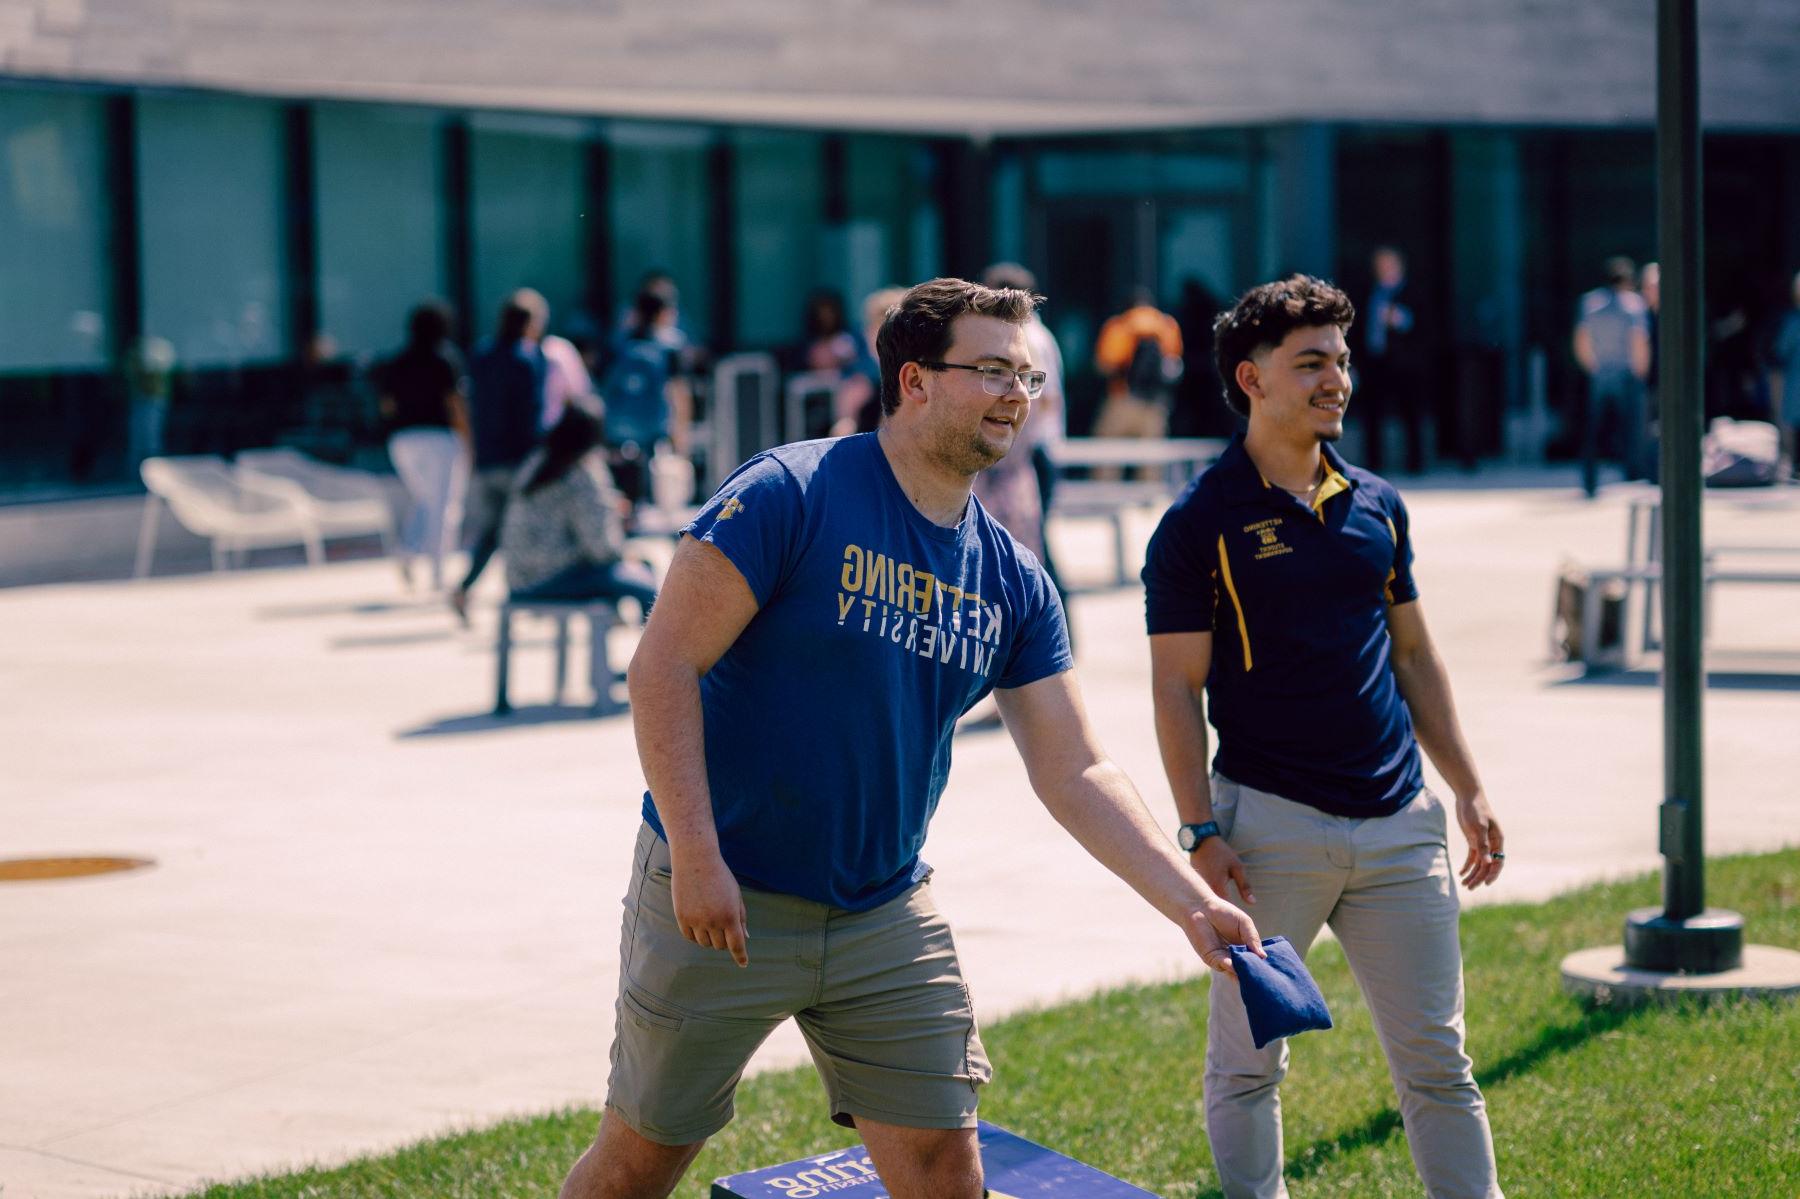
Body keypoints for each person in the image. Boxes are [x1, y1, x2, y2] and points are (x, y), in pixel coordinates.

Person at [557, 277, 1263, 1199]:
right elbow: (661, 667)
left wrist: (1187, 900)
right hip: (723, 895)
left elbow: (1076, 765)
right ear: (914, 380)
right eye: (992, 371)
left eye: (1028, 374)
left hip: (882, 909)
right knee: (641, 1160)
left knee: (943, 1168)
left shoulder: (1013, 578)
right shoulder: (789, 493)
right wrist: (695, 852)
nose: (1017, 393)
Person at [1143, 275, 1505, 1199]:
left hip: (1399, 828)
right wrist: (1199, 830)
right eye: (1311, 363)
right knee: (1248, 1066)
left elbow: (1414, 655)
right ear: (1251, 377)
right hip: (1269, 833)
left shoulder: (1378, 503)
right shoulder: (1198, 524)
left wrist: (1466, 784)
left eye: (1341, 361)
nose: (1335, 379)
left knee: (1439, 1064)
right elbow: (1177, 688)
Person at [500, 400, 657, 615]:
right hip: (551, 577)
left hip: (519, 576)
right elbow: (601, 548)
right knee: (645, 583)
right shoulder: (580, 471)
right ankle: (656, 647)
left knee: (633, 569)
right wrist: (620, 533)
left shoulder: (537, 461)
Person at [451, 290, 550, 624]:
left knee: (493, 531)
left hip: (486, 457)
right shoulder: (527, 360)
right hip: (517, 458)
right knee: (524, 529)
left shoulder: (481, 355)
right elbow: (531, 414)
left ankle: (466, 587)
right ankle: (526, 593)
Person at [377, 301, 468, 592]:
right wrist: (468, 440)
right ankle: (439, 573)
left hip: (403, 441)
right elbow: (455, 405)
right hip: (438, 439)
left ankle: (408, 549)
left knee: (426, 500)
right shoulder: (445, 359)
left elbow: (386, 405)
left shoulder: (397, 361)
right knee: (442, 505)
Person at [600, 288, 692, 507]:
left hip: (617, 430)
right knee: (656, 491)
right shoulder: (670, 346)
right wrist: (681, 434)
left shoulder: (617, 343)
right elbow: (678, 392)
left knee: (622, 489)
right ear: (664, 313)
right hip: (654, 430)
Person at [1573, 257, 1652, 497]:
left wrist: (1591, 366)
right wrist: (1642, 369)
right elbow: (1638, 338)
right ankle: (1633, 474)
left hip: (1600, 373)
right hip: (1626, 372)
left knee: (1594, 429)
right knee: (1632, 427)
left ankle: (1590, 479)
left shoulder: (1590, 303)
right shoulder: (1633, 305)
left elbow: (1581, 338)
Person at [1357, 247, 1425, 474]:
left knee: (1410, 413)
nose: (1384, 269)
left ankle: (1415, 462)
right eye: (1380, 265)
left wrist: (1399, 319)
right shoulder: (1368, 292)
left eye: (1389, 264)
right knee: (1372, 413)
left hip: (1403, 364)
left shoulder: (1412, 292)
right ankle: (1374, 462)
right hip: (1374, 360)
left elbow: (1423, 326)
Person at [1092, 286, 1183, 445]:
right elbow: (1174, 365)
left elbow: (1106, 366)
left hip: (1122, 398)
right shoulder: (1167, 325)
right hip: (1156, 404)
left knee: (1107, 456)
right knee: (1151, 462)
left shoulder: (1119, 325)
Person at [1770, 269, 1800, 475]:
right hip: (1795, 381)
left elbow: (1780, 350)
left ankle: (1794, 464)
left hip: (1795, 383)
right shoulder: (1792, 322)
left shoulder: (1792, 322)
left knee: (1793, 425)